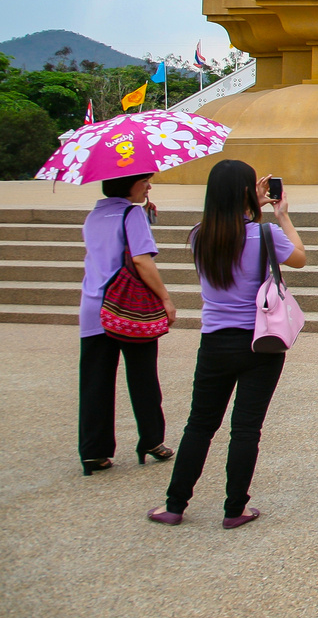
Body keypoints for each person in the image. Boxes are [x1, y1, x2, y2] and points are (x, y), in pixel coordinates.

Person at [149, 161, 305, 528]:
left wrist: (252, 203)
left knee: (200, 425)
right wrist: (280, 215)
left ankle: (175, 505)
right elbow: (299, 258)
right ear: (246, 193)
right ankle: (235, 509)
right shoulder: (263, 235)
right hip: (260, 343)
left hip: (215, 342)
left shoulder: (199, 236)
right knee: (246, 428)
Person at [79, 172, 175, 477]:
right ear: (130, 185)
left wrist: (143, 215)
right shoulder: (131, 214)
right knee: (143, 376)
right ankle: (151, 440)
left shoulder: (93, 216)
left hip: (94, 306)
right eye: (144, 181)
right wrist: (165, 299)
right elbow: (142, 261)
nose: (148, 186)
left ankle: (94, 451)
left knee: (95, 382)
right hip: (128, 307)